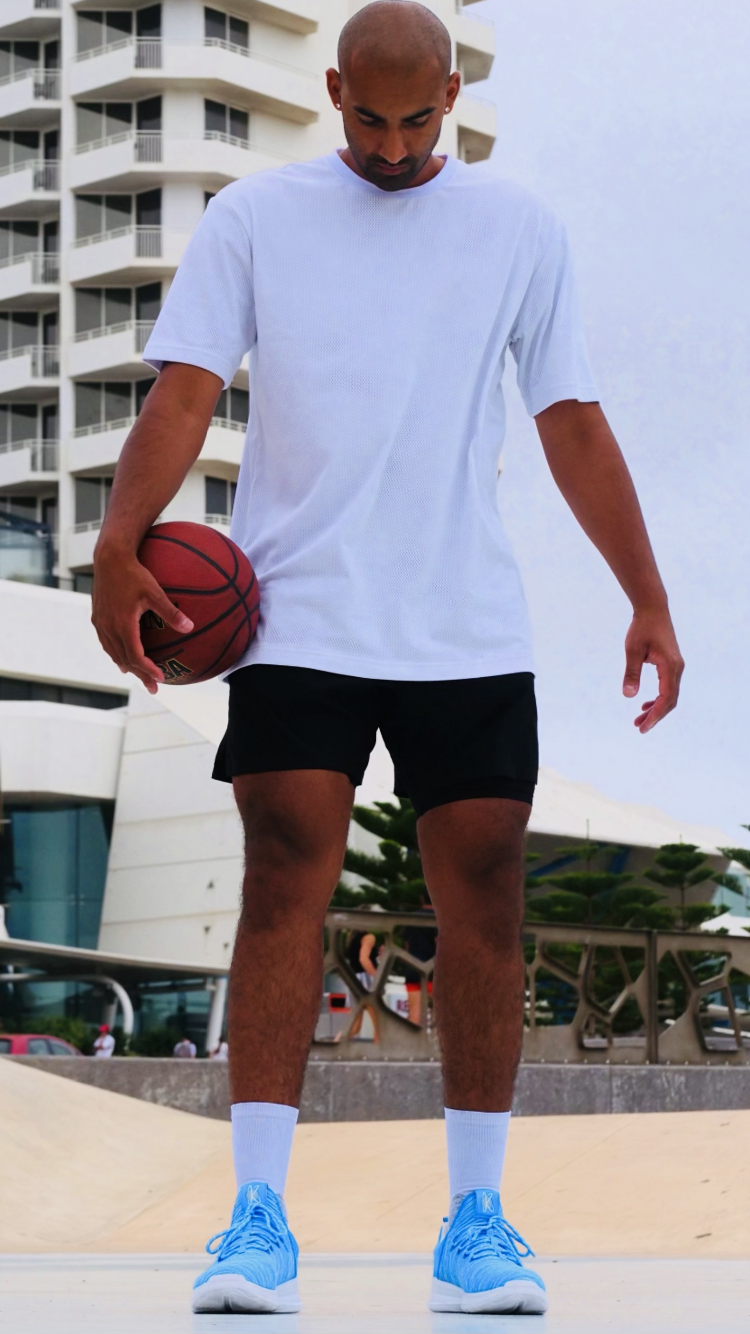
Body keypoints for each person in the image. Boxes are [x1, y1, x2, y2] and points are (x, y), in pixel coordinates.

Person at [91, 1, 684, 1317]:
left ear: (454, 95)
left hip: (461, 619)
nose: (393, 143)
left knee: (482, 894)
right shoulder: (257, 219)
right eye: (368, 117)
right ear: (334, 88)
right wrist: (118, 544)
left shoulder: (516, 228)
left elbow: (571, 419)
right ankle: (254, 1216)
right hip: (296, 610)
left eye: (419, 120)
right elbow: (182, 389)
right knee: (281, 877)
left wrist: (644, 595)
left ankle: (476, 1219)